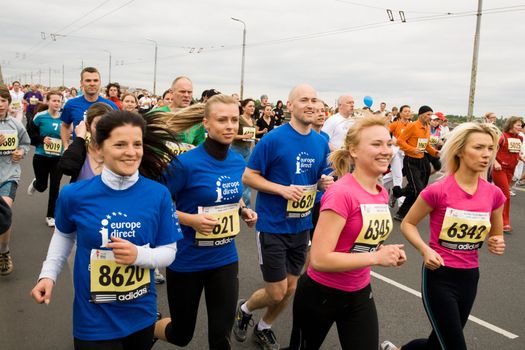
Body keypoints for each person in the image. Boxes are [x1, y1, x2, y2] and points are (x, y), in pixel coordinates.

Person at [30, 110, 183, 350]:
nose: (131, 152)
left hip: (140, 314)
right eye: (120, 144)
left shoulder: (159, 194)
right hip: (93, 317)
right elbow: (63, 235)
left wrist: (139, 256)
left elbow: (169, 251)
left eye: (137, 144)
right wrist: (48, 275)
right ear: (99, 148)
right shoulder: (74, 195)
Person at [381, 122, 506, 350]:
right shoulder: (438, 190)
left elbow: (496, 235)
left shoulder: (494, 194)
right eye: (478, 147)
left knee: (438, 343)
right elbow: (408, 223)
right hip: (439, 276)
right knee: (454, 345)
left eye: (490, 148)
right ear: (460, 150)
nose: (486, 154)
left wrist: (497, 241)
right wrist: (425, 249)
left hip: (470, 277)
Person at [288, 115, 406, 350]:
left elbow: (357, 241)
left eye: (388, 144)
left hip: (360, 293)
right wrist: (376, 258)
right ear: (353, 150)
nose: (386, 151)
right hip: (320, 295)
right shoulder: (341, 193)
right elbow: (320, 259)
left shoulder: (381, 192)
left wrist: (382, 251)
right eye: (376, 144)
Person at [233, 84, 333, 350]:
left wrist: (323, 182)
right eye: (304, 100)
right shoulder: (274, 139)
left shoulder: (320, 142)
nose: (311, 104)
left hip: (301, 226)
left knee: (290, 288)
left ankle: (264, 326)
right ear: (290, 106)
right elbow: (248, 176)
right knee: (276, 291)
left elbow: (322, 174)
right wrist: (281, 189)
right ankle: (245, 309)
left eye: (314, 99)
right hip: (273, 225)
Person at [155, 94, 257, 350]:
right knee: (181, 335)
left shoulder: (236, 160)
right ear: (206, 124)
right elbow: (154, 206)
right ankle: (148, 326)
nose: (230, 125)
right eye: (222, 120)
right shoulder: (185, 164)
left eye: (234, 119)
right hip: (187, 261)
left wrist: (242, 209)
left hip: (224, 259)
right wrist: (191, 220)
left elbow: (227, 197)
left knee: (220, 338)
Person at [0, 85, 31, 275]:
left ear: (8, 103)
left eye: (3, 101)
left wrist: (21, 151)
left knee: (4, 211)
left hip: (8, 176)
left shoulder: (15, 125)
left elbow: (25, 142)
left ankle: (3, 252)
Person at [393, 106, 439, 221]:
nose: (430, 117)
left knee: (418, 189)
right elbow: (400, 141)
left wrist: (435, 153)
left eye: (431, 115)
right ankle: (397, 193)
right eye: (428, 114)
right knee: (417, 190)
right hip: (410, 160)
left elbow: (426, 145)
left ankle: (401, 213)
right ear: (421, 114)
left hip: (422, 161)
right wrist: (412, 149)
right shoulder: (412, 126)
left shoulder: (427, 127)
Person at [27, 90, 64, 227]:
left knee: (55, 186)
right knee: (43, 186)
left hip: (58, 157)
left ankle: (50, 215)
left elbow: (68, 134)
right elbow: (30, 133)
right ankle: (37, 183)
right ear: (48, 101)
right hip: (41, 156)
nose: (56, 103)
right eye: (54, 100)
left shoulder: (64, 118)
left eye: (59, 101)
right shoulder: (40, 116)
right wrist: (42, 139)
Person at [60, 67, 118, 150]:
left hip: (103, 154)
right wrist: (66, 146)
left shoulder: (111, 106)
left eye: (95, 80)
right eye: (88, 80)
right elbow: (65, 126)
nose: (92, 83)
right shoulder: (71, 104)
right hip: (79, 153)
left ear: (100, 82)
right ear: (81, 83)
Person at [491, 116, 525, 233]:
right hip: (500, 169)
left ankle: (488, 212)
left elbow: (516, 152)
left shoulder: (520, 138)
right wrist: (495, 162)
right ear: (511, 125)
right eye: (518, 125)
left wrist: (522, 158)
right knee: (506, 194)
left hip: (511, 169)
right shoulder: (502, 137)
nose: (520, 128)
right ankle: (505, 222)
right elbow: (492, 151)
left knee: (499, 194)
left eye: (521, 125)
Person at [154, 76, 205, 146]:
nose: (186, 95)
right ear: (172, 93)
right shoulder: (157, 114)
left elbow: (199, 145)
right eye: (182, 91)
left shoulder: (195, 118)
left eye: (189, 92)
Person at [231, 98, 257, 208]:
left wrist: (256, 140)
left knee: (247, 177)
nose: (252, 108)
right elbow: (232, 135)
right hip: (236, 149)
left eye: (253, 106)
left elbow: (251, 137)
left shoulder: (253, 121)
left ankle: (246, 206)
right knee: (235, 176)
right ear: (243, 107)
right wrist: (243, 137)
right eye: (250, 106)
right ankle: (233, 202)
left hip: (248, 150)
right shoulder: (238, 119)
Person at [389, 105, 412, 208]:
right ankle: (401, 203)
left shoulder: (412, 125)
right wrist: (391, 141)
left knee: (393, 176)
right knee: (398, 176)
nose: (407, 113)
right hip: (396, 153)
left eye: (409, 111)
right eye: (405, 111)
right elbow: (384, 134)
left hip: (406, 153)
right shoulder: (395, 124)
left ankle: (379, 185)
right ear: (401, 113)